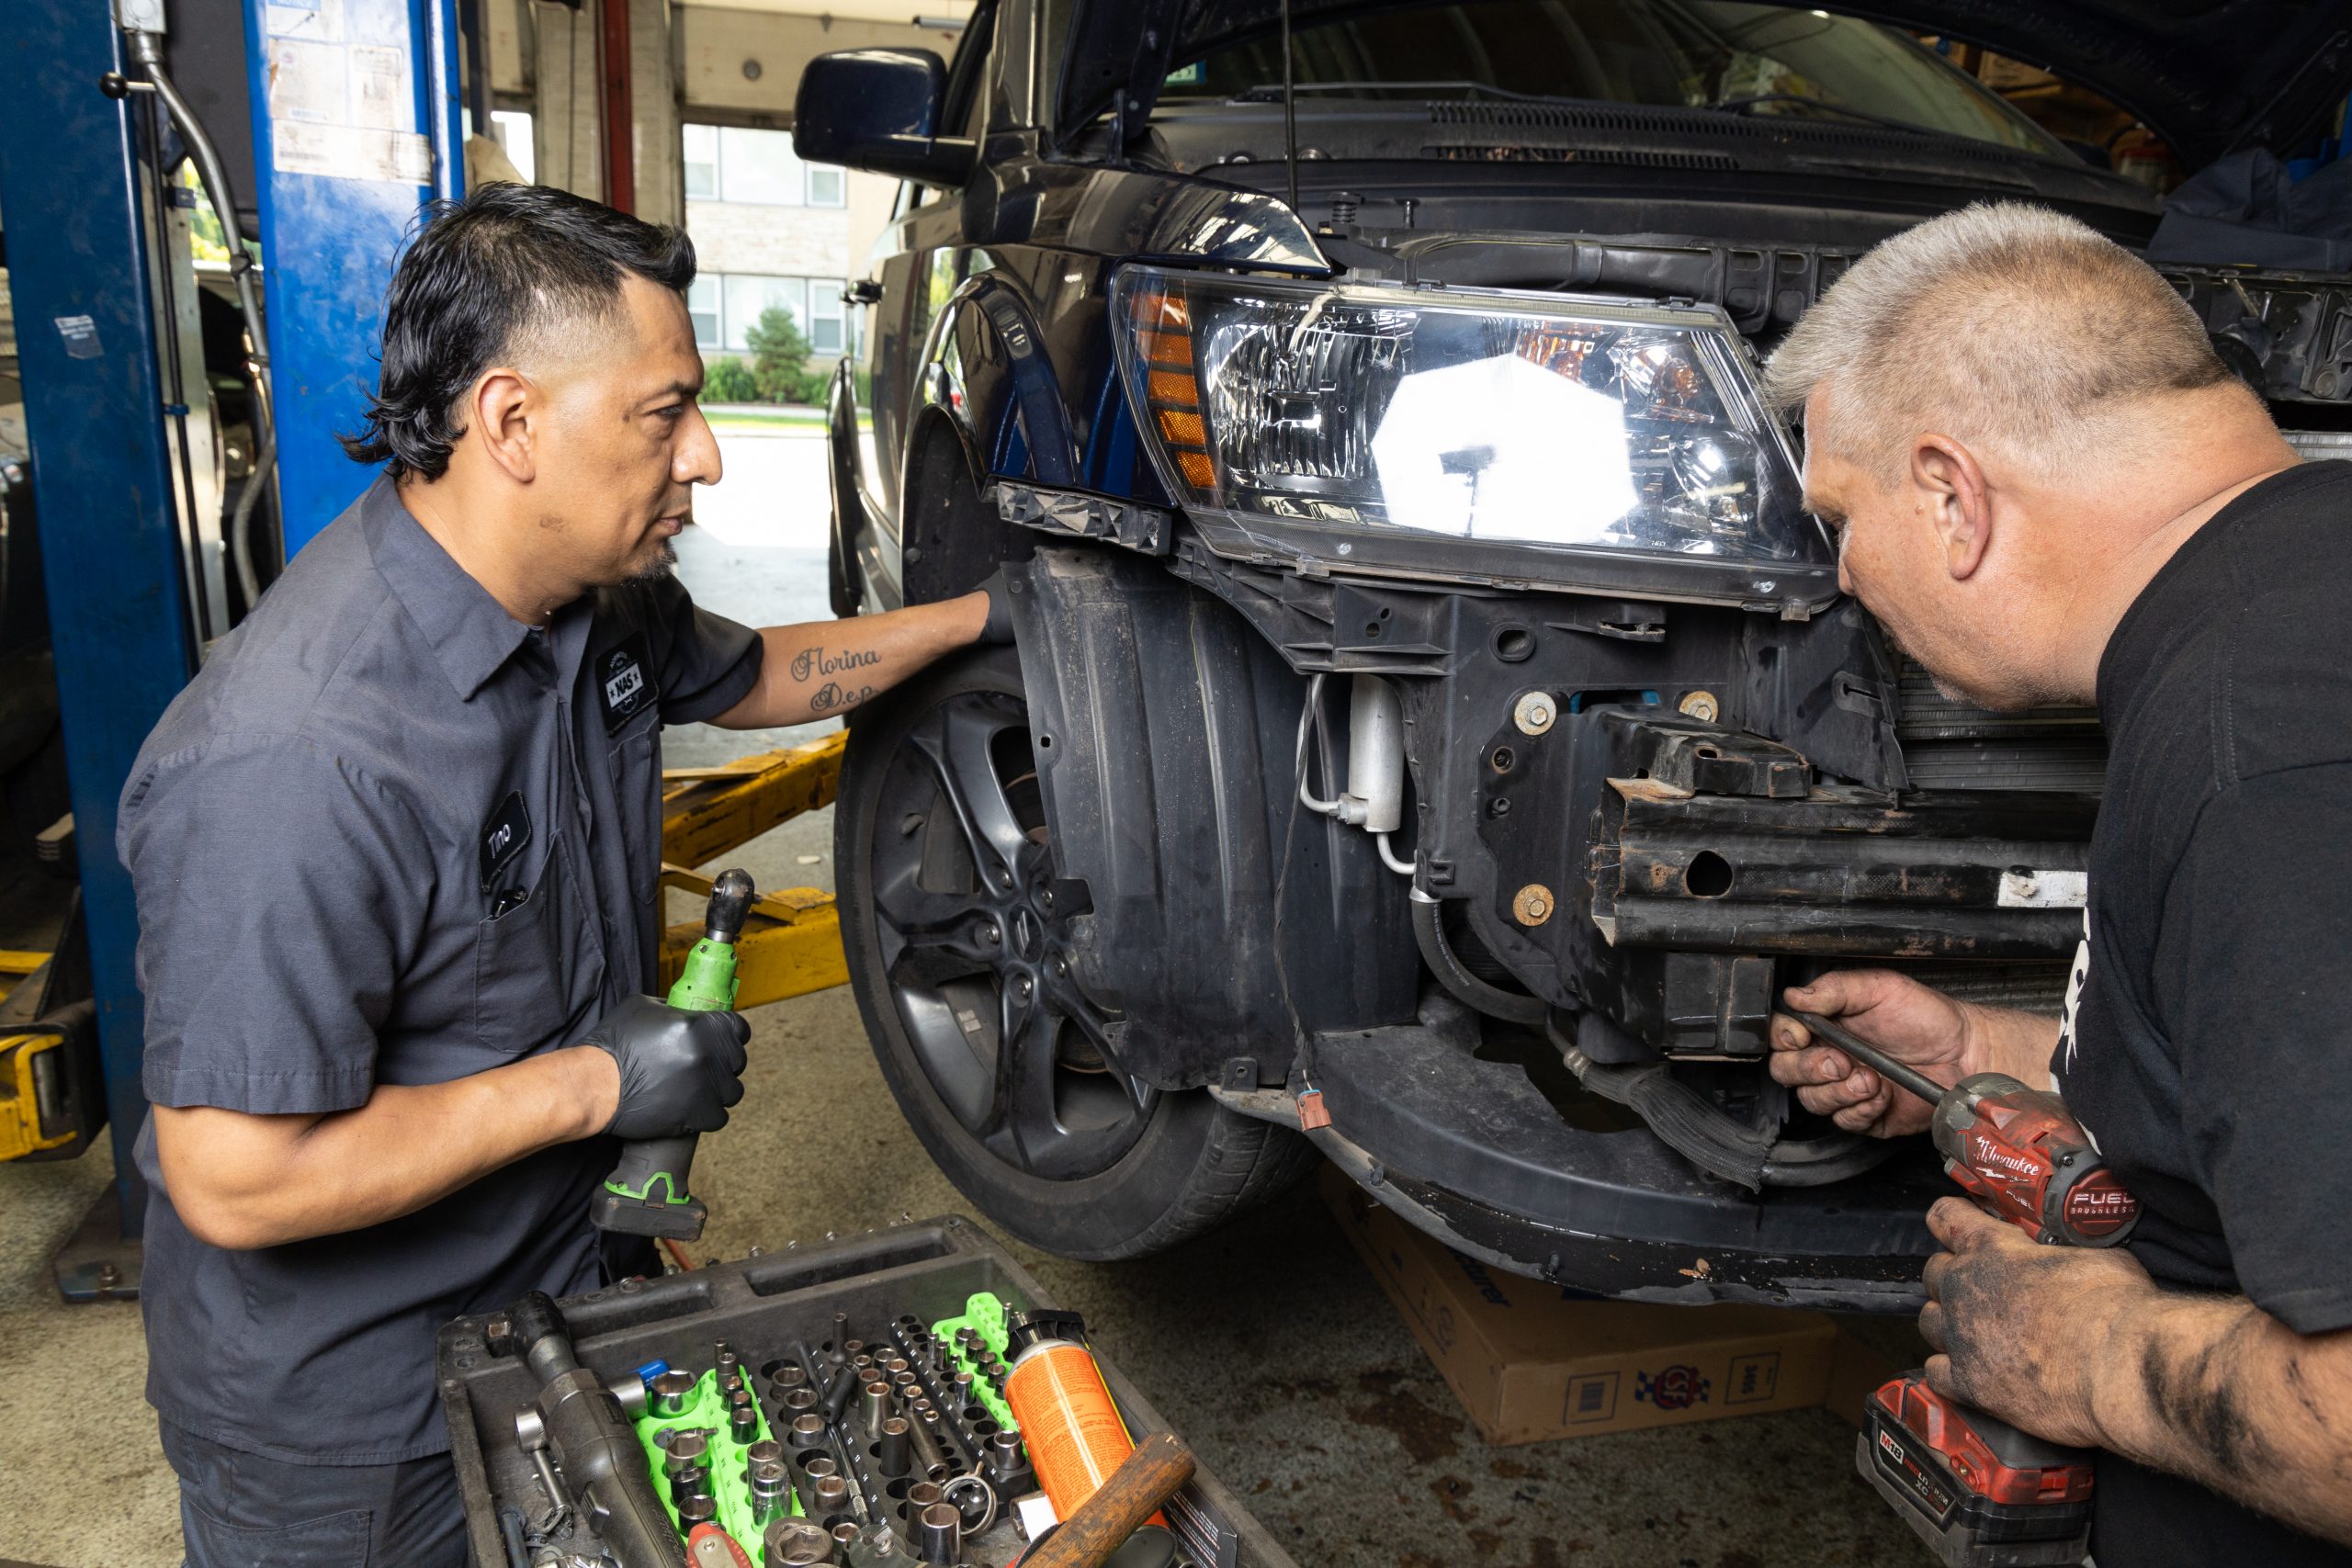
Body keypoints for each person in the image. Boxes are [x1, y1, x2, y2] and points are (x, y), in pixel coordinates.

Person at [119, 183, 1012, 1565]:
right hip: (362, 1428)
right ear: (512, 423)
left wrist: (987, 619)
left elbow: (764, 671)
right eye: (665, 414)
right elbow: (236, 1177)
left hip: (557, 1308)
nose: (706, 457)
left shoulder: (591, 604)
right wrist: (599, 1084)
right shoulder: (296, 759)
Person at [1760, 201, 2352, 1562]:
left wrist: (2096, 1360)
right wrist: (1985, 1049)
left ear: (1951, 496)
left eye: (1842, 519)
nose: (1845, 576)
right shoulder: (2289, 613)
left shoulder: (2262, 758)